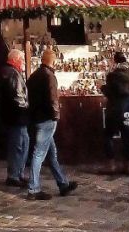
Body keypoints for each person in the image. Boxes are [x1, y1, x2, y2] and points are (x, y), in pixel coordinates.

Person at [26, 49, 78, 201]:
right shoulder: (49, 76)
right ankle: (33, 188)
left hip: (36, 118)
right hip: (47, 119)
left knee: (50, 153)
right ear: (52, 61)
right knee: (40, 153)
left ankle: (62, 183)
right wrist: (56, 116)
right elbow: (52, 98)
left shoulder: (34, 76)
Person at [0, 48, 29, 187]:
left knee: (21, 144)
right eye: (22, 59)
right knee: (19, 146)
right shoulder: (13, 73)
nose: (23, 62)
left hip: (12, 116)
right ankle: (14, 175)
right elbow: (17, 96)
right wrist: (26, 107)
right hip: (17, 117)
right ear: (16, 59)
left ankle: (17, 174)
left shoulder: (7, 71)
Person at [101, 52, 129, 172]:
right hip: (128, 108)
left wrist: (102, 87)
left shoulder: (112, 75)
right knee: (127, 137)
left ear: (115, 61)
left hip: (114, 109)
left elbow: (109, 92)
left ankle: (111, 165)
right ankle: (128, 165)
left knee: (108, 136)